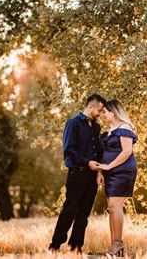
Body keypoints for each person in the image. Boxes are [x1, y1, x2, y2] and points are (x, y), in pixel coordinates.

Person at [48, 94, 107, 253]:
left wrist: (99, 171)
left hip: (92, 176)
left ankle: (76, 248)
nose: (101, 113)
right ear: (90, 106)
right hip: (76, 174)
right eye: (100, 110)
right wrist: (87, 163)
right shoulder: (73, 123)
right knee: (69, 210)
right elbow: (68, 151)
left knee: (84, 214)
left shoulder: (96, 127)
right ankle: (55, 246)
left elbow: (99, 152)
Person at [97, 99, 138, 257]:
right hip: (110, 172)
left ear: (113, 112)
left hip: (123, 171)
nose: (104, 115)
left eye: (105, 112)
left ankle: (118, 244)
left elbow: (127, 152)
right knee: (111, 208)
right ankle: (114, 246)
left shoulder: (125, 127)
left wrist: (108, 166)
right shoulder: (111, 130)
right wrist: (101, 171)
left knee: (115, 207)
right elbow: (103, 154)